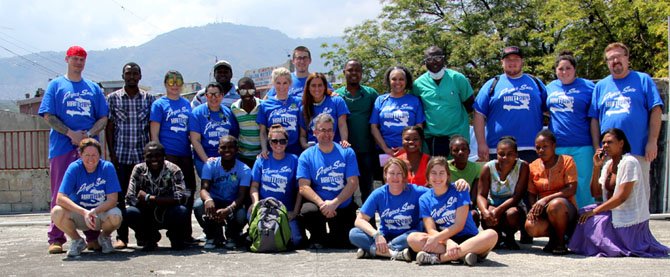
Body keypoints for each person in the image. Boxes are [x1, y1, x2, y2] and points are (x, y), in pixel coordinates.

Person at [38, 46, 109, 254]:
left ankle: (92, 237)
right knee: (60, 192)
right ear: (67, 59)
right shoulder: (56, 85)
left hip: (89, 150)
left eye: (82, 59)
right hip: (62, 148)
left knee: (92, 192)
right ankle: (56, 238)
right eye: (75, 59)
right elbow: (48, 116)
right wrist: (70, 133)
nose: (78, 62)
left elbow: (103, 117)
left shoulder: (93, 88)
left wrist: (88, 135)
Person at [569, 128, 669, 257]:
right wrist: (596, 167)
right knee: (582, 214)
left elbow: (621, 197)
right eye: (603, 142)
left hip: (628, 216)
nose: (605, 145)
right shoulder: (608, 164)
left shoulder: (630, 163)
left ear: (621, 143)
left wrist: (595, 211)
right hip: (611, 211)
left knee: (592, 222)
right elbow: (595, 193)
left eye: (609, 142)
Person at [589, 42, 664, 198]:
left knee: (638, 197)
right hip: (609, 154)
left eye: (618, 56)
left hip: (638, 150)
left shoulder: (643, 79)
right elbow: (594, 119)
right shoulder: (601, 86)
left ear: (627, 58)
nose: (615, 61)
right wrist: (597, 146)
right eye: (610, 58)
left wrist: (652, 141)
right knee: (608, 195)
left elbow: (656, 110)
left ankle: (641, 224)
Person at [408, 156, 497, 266]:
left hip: (469, 238)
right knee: (413, 238)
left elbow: (459, 225)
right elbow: (431, 230)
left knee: (492, 235)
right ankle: (465, 255)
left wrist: (443, 245)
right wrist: (448, 241)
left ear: (448, 175)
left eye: (442, 173)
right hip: (444, 241)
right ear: (428, 176)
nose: (437, 177)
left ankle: (440, 258)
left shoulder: (460, 190)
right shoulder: (424, 199)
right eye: (433, 173)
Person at [105, 62, 155, 249]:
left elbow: (151, 129)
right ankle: (122, 237)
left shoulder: (148, 99)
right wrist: (112, 154)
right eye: (128, 73)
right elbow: (110, 128)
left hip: (142, 160)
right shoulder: (113, 99)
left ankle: (143, 236)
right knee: (120, 199)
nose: (132, 76)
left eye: (135, 73)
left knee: (142, 199)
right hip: (121, 157)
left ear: (140, 76)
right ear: (123, 75)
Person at [473, 46, 547, 163]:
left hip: (532, 149)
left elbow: (551, 110)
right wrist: (481, 144)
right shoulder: (492, 84)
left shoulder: (536, 83)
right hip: (498, 150)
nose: (512, 63)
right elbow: (478, 114)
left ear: (522, 61)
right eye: (508, 59)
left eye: (516, 59)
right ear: (502, 62)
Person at [50, 138, 122, 257]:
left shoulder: (107, 167)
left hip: (100, 213)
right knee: (56, 212)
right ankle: (77, 240)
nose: (90, 159)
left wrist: (94, 211)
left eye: (94, 155)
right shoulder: (74, 168)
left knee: (116, 215)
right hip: (81, 215)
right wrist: (84, 212)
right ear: (80, 155)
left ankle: (104, 237)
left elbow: (113, 200)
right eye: (87, 155)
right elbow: (60, 198)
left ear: (100, 155)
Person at [297, 113, 359, 248]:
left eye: (330, 130)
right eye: (322, 130)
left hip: (342, 204)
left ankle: (333, 236)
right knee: (308, 211)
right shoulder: (306, 155)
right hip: (320, 206)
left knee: (342, 243)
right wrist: (322, 204)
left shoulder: (347, 152)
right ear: (314, 132)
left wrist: (335, 203)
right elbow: (303, 187)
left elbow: (353, 182)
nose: (327, 134)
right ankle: (318, 236)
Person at [349, 158, 429, 261]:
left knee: (416, 235)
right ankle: (394, 253)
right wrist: (376, 235)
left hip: (407, 236)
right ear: (385, 174)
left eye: (399, 173)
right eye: (392, 173)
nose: (395, 177)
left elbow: (438, 191)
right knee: (354, 234)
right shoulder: (379, 194)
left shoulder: (415, 191)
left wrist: (456, 184)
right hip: (385, 236)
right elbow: (359, 220)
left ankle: (373, 251)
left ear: (404, 175)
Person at [149, 70, 196, 241]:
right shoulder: (159, 104)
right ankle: (171, 232)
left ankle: (186, 233)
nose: (175, 85)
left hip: (185, 154)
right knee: (170, 194)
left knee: (189, 191)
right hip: (168, 155)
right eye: (171, 82)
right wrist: (159, 156)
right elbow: (154, 133)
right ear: (165, 84)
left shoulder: (186, 104)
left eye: (178, 81)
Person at [546, 51, 596, 209]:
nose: (564, 72)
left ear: (575, 69)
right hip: (558, 145)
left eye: (568, 68)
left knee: (582, 185)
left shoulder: (588, 87)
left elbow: (595, 115)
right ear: (555, 71)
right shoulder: (549, 88)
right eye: (560, 69)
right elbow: (543, 109)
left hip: (583, 145)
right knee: (561, 185)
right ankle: (565, 225)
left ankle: (586, 224)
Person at [125, 141, 190, 251]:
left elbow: (181, 197)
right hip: (146, 212)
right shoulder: (138, 169)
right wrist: (160, 201)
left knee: (182, 211)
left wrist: (149, 198)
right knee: (129, 212)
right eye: (149, 156)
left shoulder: (174, 170)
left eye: (158, 156)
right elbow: (130, 197)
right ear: (144, 157)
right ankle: (149, 237)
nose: (154, 159)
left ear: (164, 156)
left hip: (168, 212)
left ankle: (175, 237)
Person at [412, 46, 475, 157]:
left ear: (444, 59)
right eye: (430, 59)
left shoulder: (457, 78)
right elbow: (417, 110)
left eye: (438, 58)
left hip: (457, 136)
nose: (434, 62)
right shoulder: (418, 84)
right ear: (424, 62)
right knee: (436, 172)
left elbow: (470, 106)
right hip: (432, 138)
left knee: (456, 172)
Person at [525, 130, 578, 255]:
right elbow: (531, 193)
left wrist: (545, 199)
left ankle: (560, 242)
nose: (541, 150)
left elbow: (572, 188)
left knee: (556, 205)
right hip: (544, 209)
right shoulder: (533, 166)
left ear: (554, 146)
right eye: (538, 147)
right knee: (530, 226)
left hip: (565, 208)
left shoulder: (567, 161)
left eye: (545, 146)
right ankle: (554, 237)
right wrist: (534, 208)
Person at [334, 59, 379, 204]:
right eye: (350, 70)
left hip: (367, 150)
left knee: (367, 189)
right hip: (344, 151)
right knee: (347, 190)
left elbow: (378, 120)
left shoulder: (371, 94)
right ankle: (350, 224)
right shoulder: (336, 95)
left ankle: (368, 223)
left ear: (361, 73)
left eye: (357, 70)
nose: (354, 73)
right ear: (344, 73)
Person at [194, 136, 251, 249]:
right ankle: (213, 236)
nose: (227, 151)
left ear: (237, 149)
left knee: (241, 214)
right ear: (218, 150)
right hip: (215, 201)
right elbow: (204, 189)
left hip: (233, 203)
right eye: (223, 148)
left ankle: (232, 236)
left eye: (230, 147)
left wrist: (228, 209)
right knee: (199, 205)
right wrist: (209, 200)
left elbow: (242, 196)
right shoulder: (210, 165)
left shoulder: (244, 169)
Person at [250, 125, 302, 247]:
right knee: (263, 237)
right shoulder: (261, 160)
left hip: (286, 210)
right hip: (264, 209)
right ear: (269, 142)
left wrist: (295, 211)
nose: (278, 144)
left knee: (296, 241)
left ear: (287, 142)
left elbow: (300, 189)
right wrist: (255, 204)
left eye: (282, 141)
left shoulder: (294, 160)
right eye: (274, 141)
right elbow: (254, 186)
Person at [477, 136, 529, 250]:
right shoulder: (488, 167)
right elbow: (481, 195)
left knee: (512, 214)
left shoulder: (523, 166)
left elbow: (517, 196)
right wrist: (485, 211)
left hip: (513, 204)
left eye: (510, 154)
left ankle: (510, 237)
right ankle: (497, 237)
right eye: (501, 154)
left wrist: (498, 210)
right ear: (496, 153)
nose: (505, 157)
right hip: (493, 202)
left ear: (516, 154)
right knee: (488, 215)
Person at [371, 66, 425, 157]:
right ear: (389, 81)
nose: (397, 82)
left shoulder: (415, 101)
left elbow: (419, 128)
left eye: (401, 79)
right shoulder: (380, 100)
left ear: (406, 81)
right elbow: (373, 127)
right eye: (394, 79)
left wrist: (405, 148)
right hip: (384, 152)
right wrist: (386, 149)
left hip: (409, 151)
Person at [189, 81, 239, 177]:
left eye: (217, 94)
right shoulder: (197, 113)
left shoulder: (228, 113)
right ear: (206, 96)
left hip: (226, 159)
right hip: (204, 159)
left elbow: (234, 137)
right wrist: (206, 160)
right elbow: (195, 140)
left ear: (222, 95)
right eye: (210, 94)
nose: (213, 98)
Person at [257, 67, 303, 156]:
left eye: (285, 83)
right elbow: (262, 132)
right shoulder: (265, 105)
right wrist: (264, 149)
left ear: (290, 84)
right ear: (273, 83)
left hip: (295, 151)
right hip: (274, 151)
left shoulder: (298, 102)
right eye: (278, 83)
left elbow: (302, 130)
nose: (281, 86)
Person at [299, 72, 350, 148]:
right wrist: (305, 145)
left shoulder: (337, 101)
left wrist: (344, 141)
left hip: (334, 148)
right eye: (313, 85)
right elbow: (302, 135)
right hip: (314, 150)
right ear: (308, 88)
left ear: (325, 86)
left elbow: (342, 125)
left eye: (320, 85)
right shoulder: (304, 108)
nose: (317, 89)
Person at [264, 46, 332, 99]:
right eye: (299, 58)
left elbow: (332, 95)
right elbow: (266, 100)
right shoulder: (285, 80)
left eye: (305, 58)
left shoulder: (317, 80)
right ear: (293, 61)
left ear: (310, 60)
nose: (302, 61)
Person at [448, 135, 482, 227]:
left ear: (469, 151)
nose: (460, 152)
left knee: (473, 215)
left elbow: (474, 196)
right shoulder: (445, 168)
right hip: (448, 205)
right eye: (456, 150)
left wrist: (467, 206)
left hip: (468, 204)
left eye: (464, 149)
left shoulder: (476, 168)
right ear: (451, 153)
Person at [231, 77, 262, 168]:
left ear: (255, 90)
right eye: (243, 91)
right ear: (238, 92)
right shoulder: (234, 108)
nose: (247, 94)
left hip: (261, 156)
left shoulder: (262, 106)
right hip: (243, 156)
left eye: (251, 90)